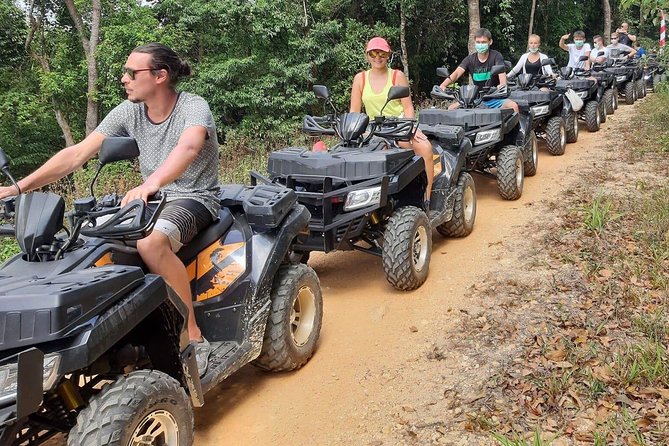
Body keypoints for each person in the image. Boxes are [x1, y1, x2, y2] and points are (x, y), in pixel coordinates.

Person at [0, 43, 219, 375]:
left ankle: (192, 335)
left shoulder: (193, 106)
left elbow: (188, 147)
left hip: (192, 197)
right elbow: (77, 154)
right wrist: (16, 188)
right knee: (84, 239)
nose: (124, 78)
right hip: (150, 200)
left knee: (150, 242)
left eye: (132, 72)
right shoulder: (129, 111)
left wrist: (151, 183)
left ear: (160, 76)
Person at [350, 37, 435, 210]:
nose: (377, 57)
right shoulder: (360, 79)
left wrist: (409, 128)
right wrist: (355, 131)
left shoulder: (397, 76)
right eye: (373, 53)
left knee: (425, 149)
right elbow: (354, 112)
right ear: (367, 55)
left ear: (388, 54)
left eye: (381, 53)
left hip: (398, 125)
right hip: (372, 129)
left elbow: (408, 107)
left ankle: (426, 198)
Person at [439, 28, 519, 113]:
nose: (481, 45)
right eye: (478, 42)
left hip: (494, 97)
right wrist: (443, 85)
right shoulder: (469, 59)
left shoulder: (496, 56)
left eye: (483, 42)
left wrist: (502, 84)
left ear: (490, 42)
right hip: (475, 100)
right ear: (475, 42)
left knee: (513, 106)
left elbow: (501, 73)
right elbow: (457, 73)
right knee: (450, 109)